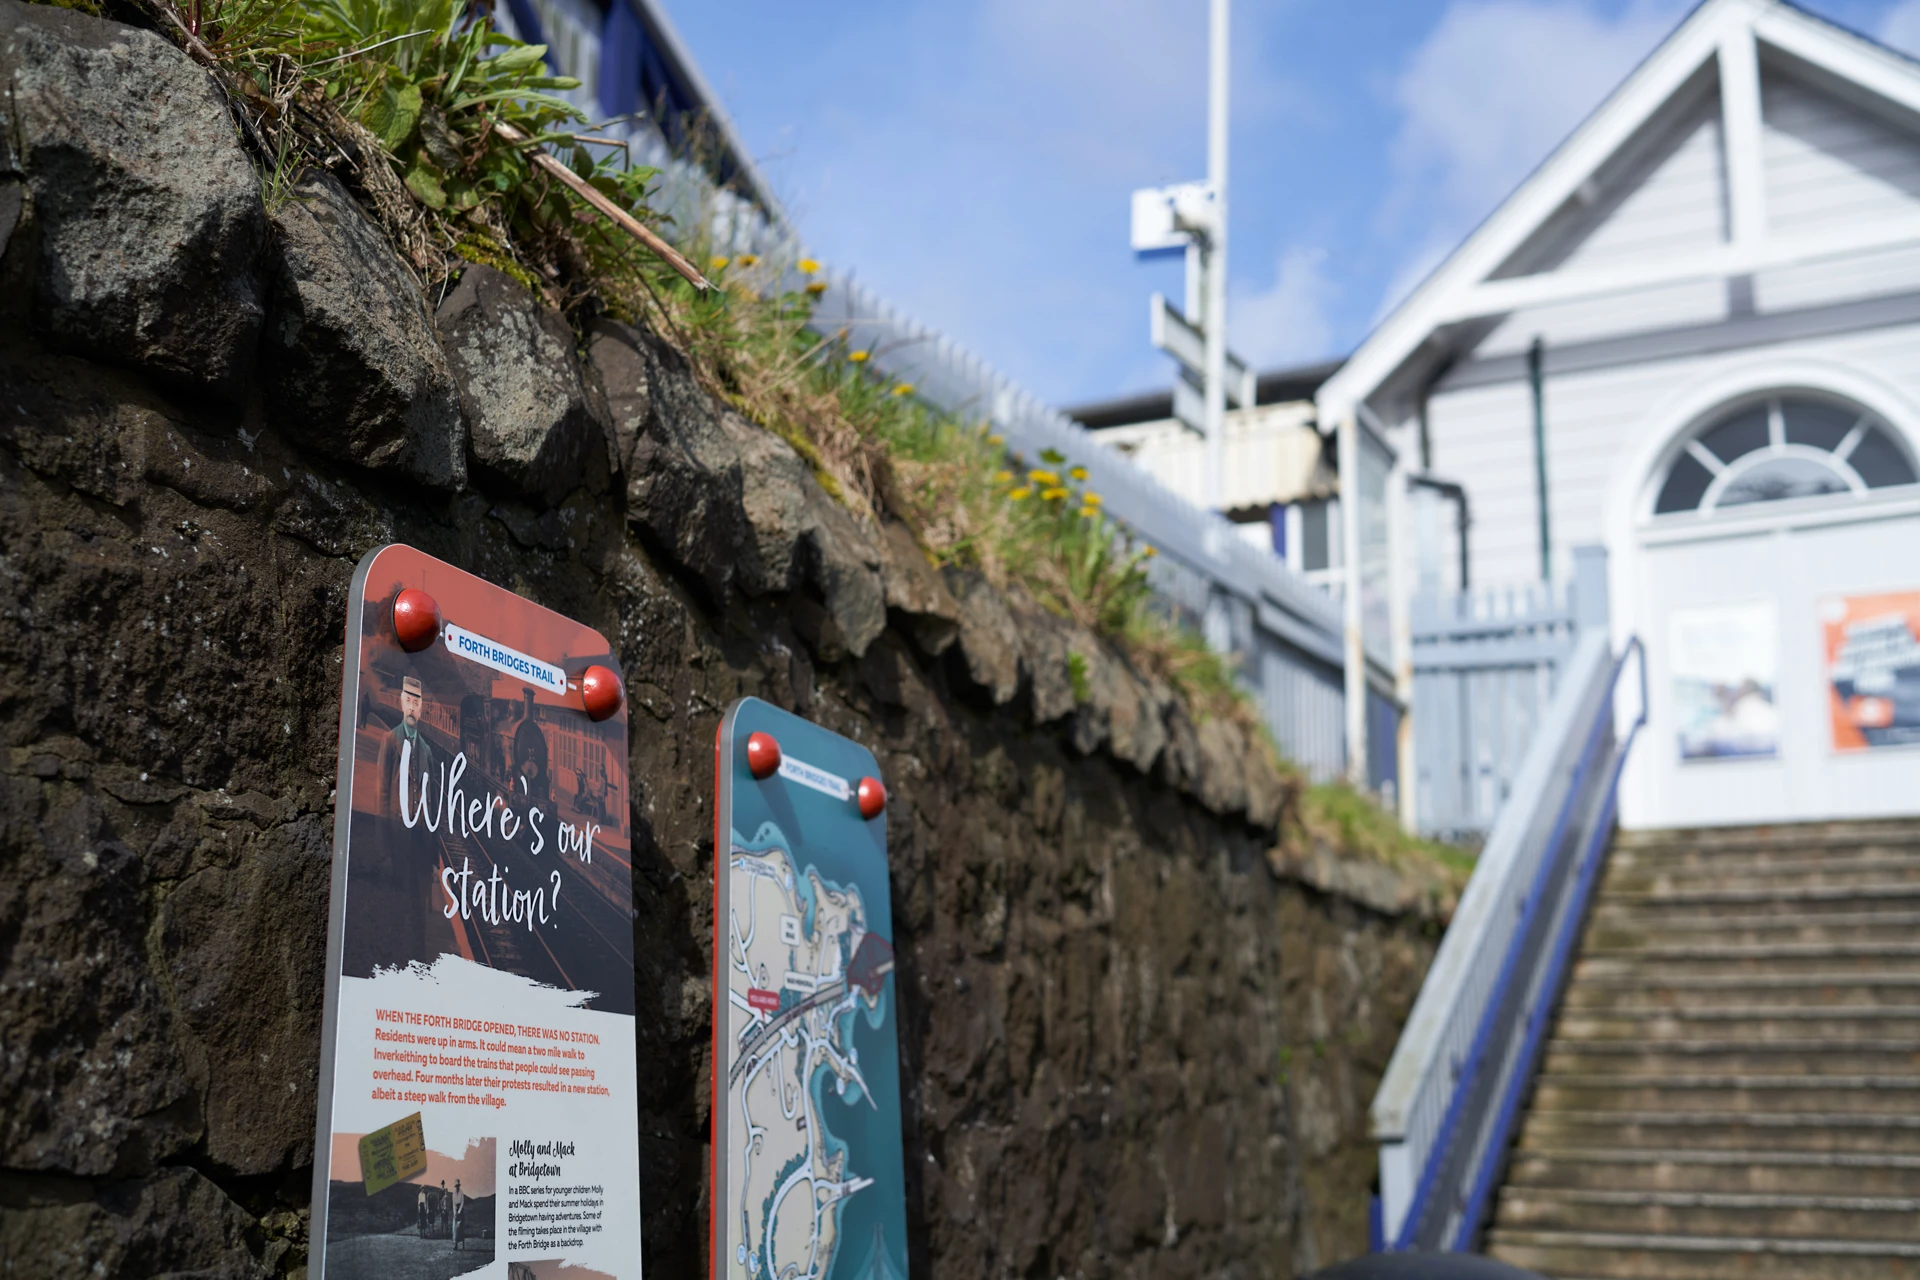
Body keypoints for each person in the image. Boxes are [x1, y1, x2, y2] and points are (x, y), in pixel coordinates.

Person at [377, 675, 436, 818]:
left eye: (416, 703)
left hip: (420, 830)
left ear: (421, 711)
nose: (411, 708)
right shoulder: (390, 740)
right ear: (402, 705)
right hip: (397, 828)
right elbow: (382, 793)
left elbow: (432, 798)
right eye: (408, 701)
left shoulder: (427, 750)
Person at [451, 1178, 466, 1251]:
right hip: (455, 1211)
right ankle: (455, 1244)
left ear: (459, 1186)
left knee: (461, 1227)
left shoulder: (461, 1193)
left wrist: (459, 1211)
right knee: (455, 1228)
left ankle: (462, 1244)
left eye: (458, 1186)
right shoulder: (453, 1193)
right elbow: (453, 1203)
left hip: (460, 1210)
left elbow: (462, 1202)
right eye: (456, 1186)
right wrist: (455, 1212)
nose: (457, 1187)